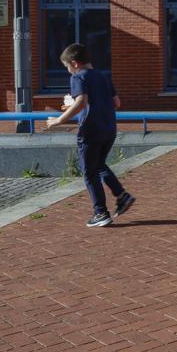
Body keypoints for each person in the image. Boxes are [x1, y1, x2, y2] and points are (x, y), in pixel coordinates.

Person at [46, 43, 135, 227]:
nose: (68, 71)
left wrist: (59, 120)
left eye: (67, 67)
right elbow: (116, 103)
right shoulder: (104, 76)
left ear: (74, 63)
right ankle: (122, 195)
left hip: (90, 130)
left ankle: (101, 212)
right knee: (99, 164)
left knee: (89, 172)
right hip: (109, 128)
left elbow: (81, 101)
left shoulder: (79, 77)